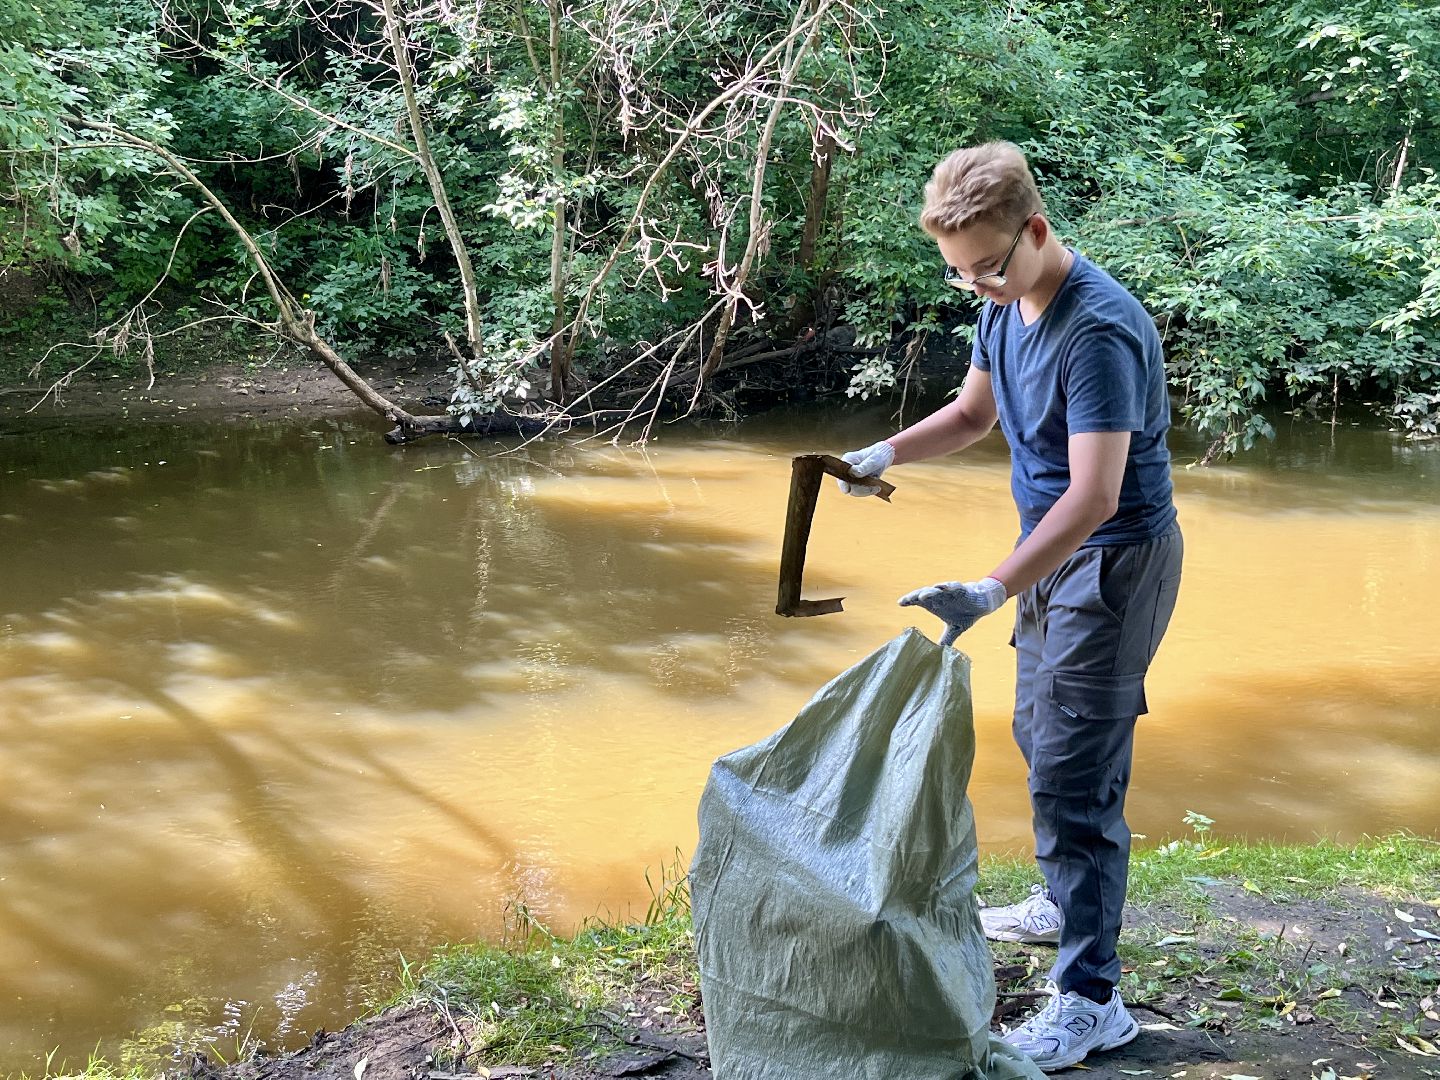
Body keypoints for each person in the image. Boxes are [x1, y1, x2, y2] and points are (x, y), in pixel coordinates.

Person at [837, 141, 1183, 1073]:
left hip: (1110, 561)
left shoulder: (1097, 331)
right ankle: (1059, 900)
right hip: (1050, 558)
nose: (978, 290)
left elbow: (1096, 496)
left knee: (1078, 771)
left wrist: (997, 584)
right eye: (960, 277)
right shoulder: (1007, 303)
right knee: (1041, 734)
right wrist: (884, 453)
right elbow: (971, 417)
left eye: (987, 268)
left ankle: (1092, 1000)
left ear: (1034, 230)